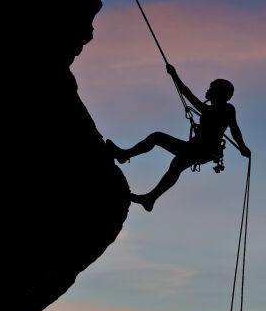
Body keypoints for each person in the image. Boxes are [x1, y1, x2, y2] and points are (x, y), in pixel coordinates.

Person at [106, 64, 251, 211]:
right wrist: (242, 147)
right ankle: (150, 198)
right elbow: (189, 96)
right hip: (201, 150)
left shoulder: (226, 109)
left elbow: (234, 129)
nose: (208, 90)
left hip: (200, 149)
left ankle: (125, 156)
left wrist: (174, 75)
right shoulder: (214, 109)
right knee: (176, 166)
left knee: (157, 138)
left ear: (218, 92)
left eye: (211, 88)